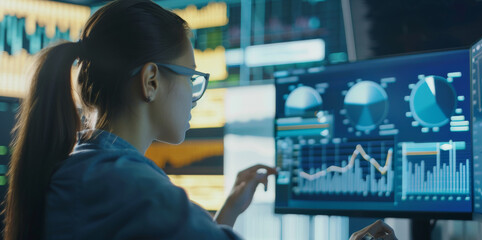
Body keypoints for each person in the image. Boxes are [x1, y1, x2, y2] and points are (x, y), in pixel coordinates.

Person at [3, 0, 397, 239]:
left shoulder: (90, 168)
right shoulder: (126, 183)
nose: (195, 96)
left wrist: (228, 211)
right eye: (192, 79)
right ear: (151, 80)